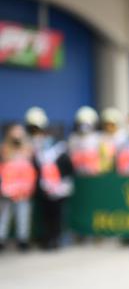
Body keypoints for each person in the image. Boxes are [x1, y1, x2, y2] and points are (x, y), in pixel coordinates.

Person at [26, 107, 74, 250]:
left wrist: (62, 186)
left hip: (59, 189)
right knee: (45, 216)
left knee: (57, 215)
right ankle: (47, 239)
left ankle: (57, 238)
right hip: (44, 189)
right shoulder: (34, 149)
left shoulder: (59, 148)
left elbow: (67, 168)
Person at [0, 124, 37, 251]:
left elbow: (30, 168)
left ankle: (23, 240)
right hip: (7, 190)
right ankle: (1, 240)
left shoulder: (27, 148)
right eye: (14, 133)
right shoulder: (4, 148)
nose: (17, 136)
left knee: (23, 215)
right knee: (4, 216)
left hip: (23, 190)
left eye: (19, 133)